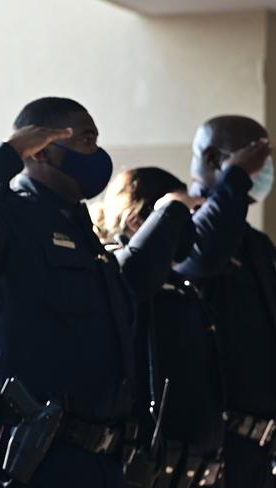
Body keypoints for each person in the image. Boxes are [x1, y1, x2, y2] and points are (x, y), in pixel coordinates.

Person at [0, 97, 137, 488]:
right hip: (21, 460)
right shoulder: (5, 216)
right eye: (87, 141)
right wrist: (7, 153)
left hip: (93, 462)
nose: (98, 154)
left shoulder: (83, 234)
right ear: (41, 149)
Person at [95, 167, 230, 487]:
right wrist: (171, 211)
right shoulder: (113, 273)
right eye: (181, 217)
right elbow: (132, 277)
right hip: (136, 464)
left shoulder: (182, 287)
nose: (190, 228)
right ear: (136, 221)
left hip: (189, 466)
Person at [175, 116, 275, 488]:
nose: (265, 169)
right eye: (257, 157)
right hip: (209, 452)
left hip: (257, 451)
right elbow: (200, 257)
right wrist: (236, 178)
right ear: (216, 159)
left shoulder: (257, 245)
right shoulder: (180, 221)